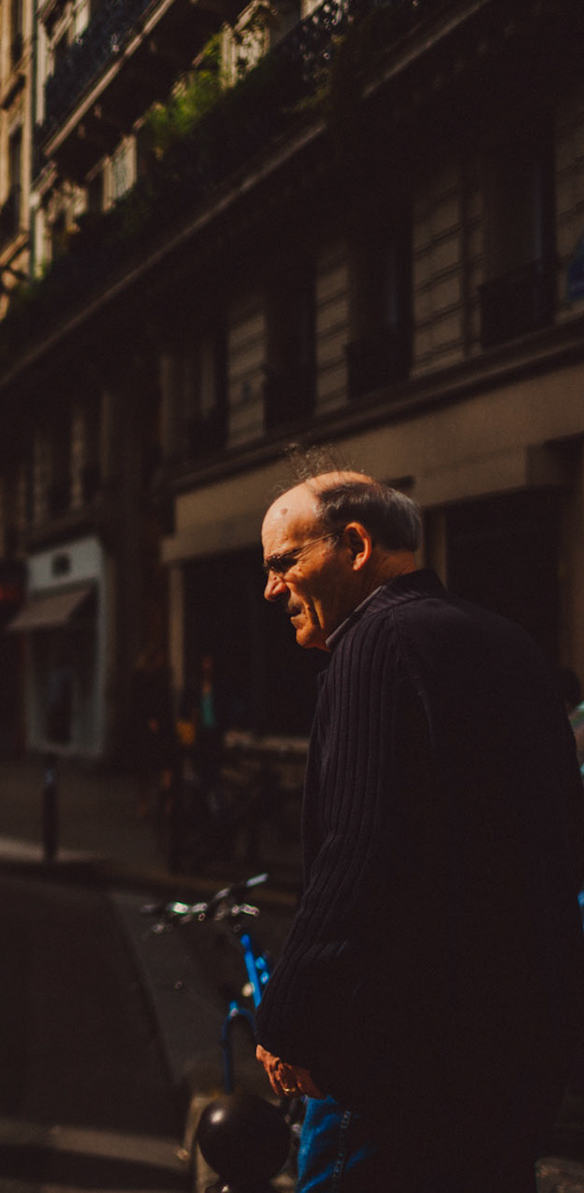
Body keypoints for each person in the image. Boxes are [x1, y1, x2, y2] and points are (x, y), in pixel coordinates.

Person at [250, 463, 584, 1190]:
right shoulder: (506, 641)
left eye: (286, 563)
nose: (272, 588)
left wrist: (288, 1015)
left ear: (356, 544)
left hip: (398, 1060)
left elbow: (362, 848)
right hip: (516, 1045)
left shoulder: (375, 641)